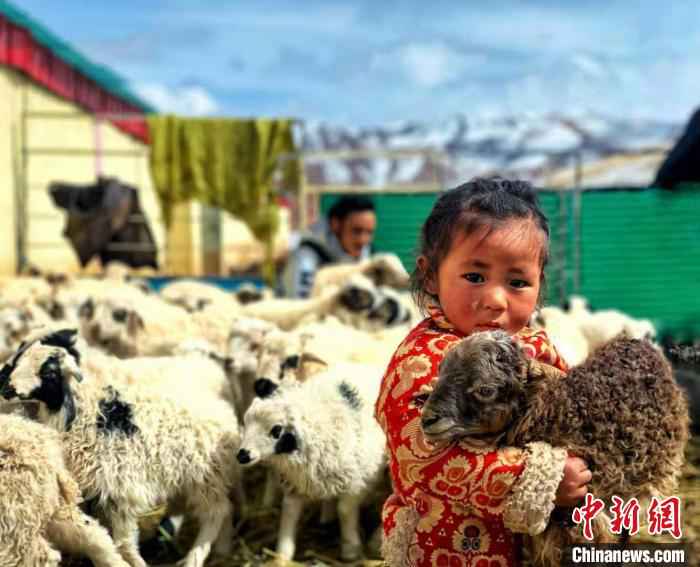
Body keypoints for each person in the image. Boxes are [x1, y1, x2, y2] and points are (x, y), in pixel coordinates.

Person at [374, 177, 591, 567]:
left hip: (531, 546)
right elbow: (427, 459)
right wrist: (545, 478)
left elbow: (571, 411)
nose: (494, 300)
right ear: (429, 276)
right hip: (442, 547)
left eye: (518, 282)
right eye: (475, 277)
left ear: (540, 287)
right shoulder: (422, 362)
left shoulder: (536, 348)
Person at [283, 195, 376, 297]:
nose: (363, 240)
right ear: (335, 224)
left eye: (369, 232)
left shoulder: (369, 255)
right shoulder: (306, 256)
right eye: (356, 231)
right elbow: (300, 305)